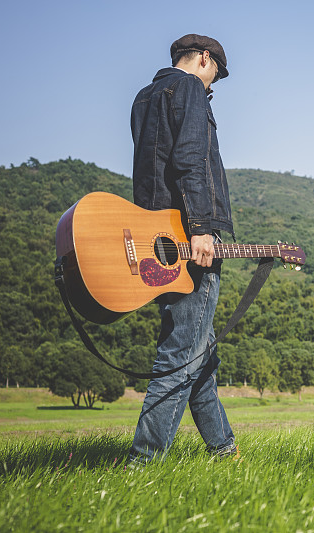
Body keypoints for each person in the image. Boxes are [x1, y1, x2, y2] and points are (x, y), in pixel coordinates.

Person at [127, 34, 237, 465]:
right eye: (216, 76)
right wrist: (203, 229)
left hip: (156, 242)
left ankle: (224, 450)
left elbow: (150, 172)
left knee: (197, 353)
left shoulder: (144, 96)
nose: (212, 86)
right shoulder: (189, 87)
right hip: (190, 240)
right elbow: (191, 159)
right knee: (181, 355)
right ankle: (143, 463)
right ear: (204, 59)